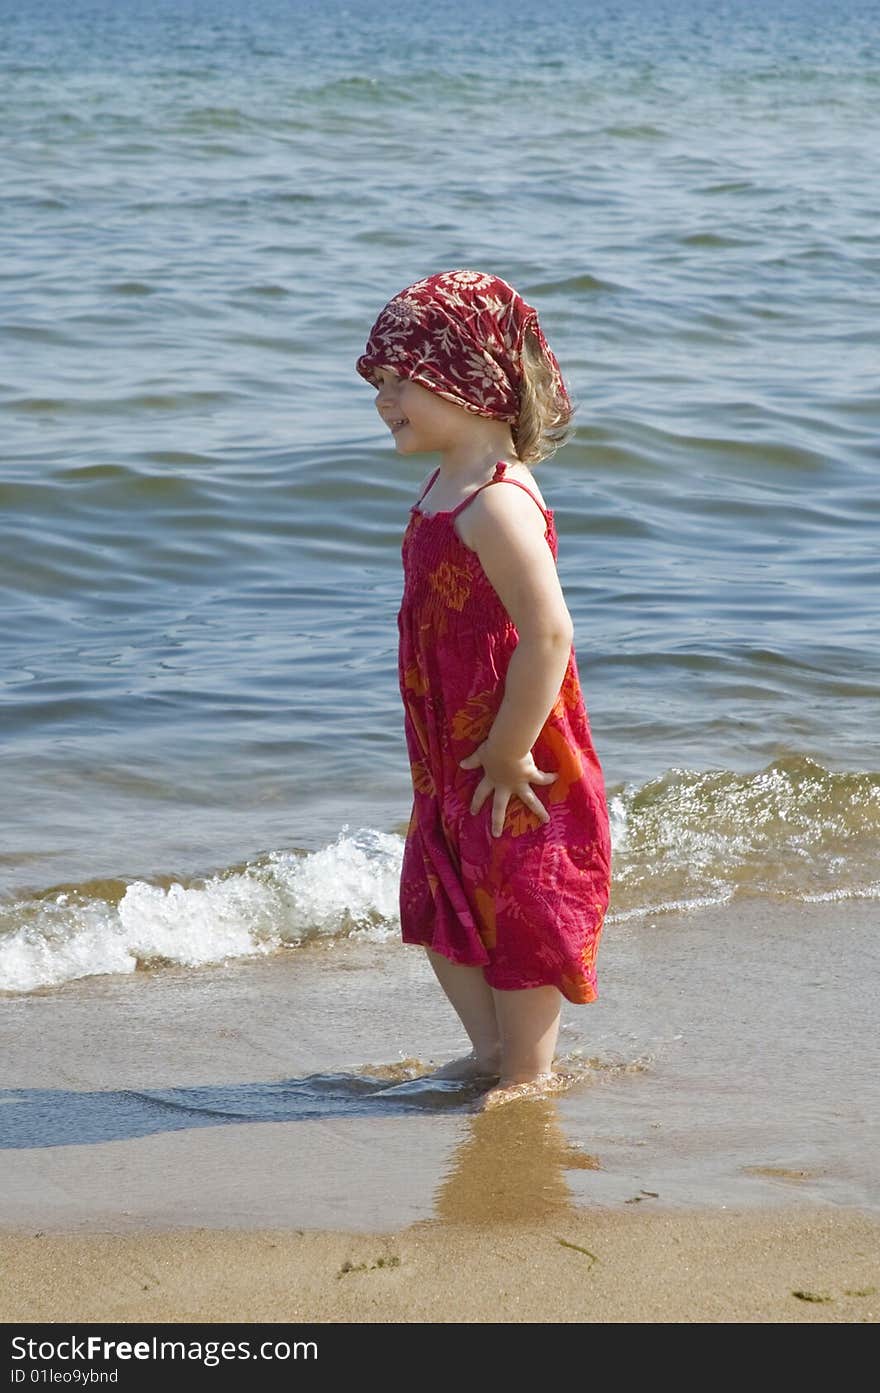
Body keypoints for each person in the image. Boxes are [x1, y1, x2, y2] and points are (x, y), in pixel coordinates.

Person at [356, 269, 611, 1107]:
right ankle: (491, 1047)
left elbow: (548, 633)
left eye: (401, 380)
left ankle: (528, 1070)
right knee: (444, 887)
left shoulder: (496, 502)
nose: (385, 398)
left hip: (517, 747)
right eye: (381, 381)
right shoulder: (444, 486)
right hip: (453, 743)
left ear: (465, 380)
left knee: (521, 896)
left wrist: (507, 750)